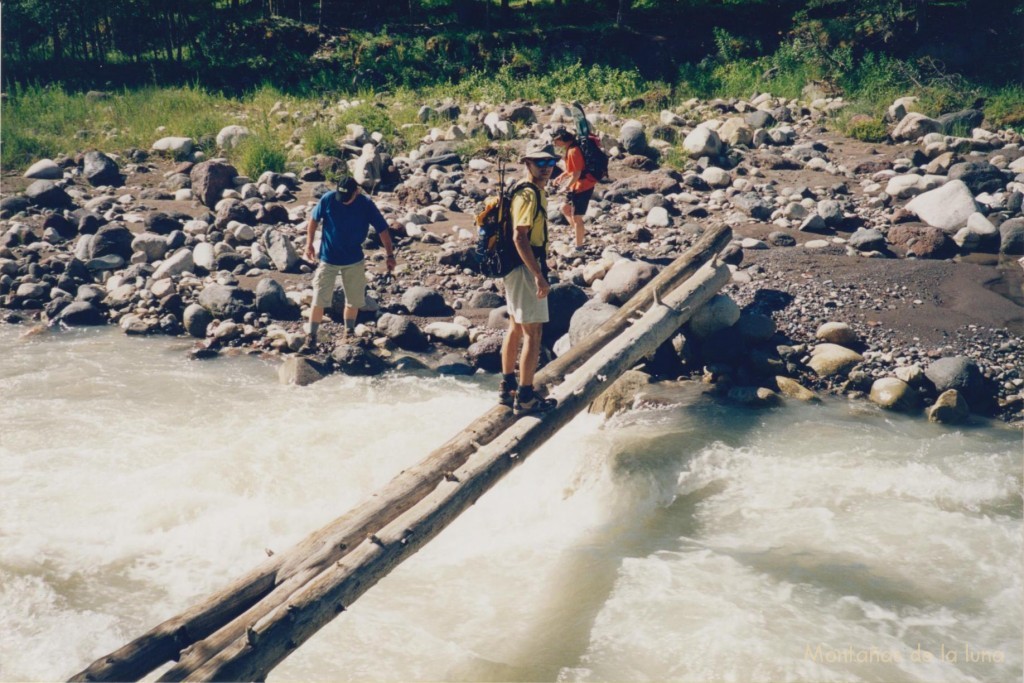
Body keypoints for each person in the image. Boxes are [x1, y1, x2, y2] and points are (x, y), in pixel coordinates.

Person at [499, 141, 560, 415]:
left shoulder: (528, 190)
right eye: (540, 163)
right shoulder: (529, 195)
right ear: (527, 163)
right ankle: (525, 396)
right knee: (533, 333)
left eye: (550, 163)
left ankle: (508, 386)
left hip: (514, 267)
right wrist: (538, 275)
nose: (547, 168)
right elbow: (519, 236)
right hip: (525, 267)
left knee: (515, 326)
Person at [302, 176, 395, 352]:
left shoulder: (365, 204)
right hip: (328, 259)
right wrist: (308, 243)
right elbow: (313, 220)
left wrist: (390, 255)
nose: (343, 202)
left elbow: (383, 229)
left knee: (353, 300)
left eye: (347, 198)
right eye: (341, 197)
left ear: (357, 192)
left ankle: (349, 333)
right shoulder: (328, 198)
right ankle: (311, 337)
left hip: (354, 260)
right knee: (318, 299)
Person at [551, 127, 597, 252]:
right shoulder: (570, 148)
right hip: (576, 186)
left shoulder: (573, 151)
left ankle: (579, 249)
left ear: (561, 139)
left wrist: (565, 187)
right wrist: (561, 176)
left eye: (555, 141)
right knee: (565, 208)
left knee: (577, 218)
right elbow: (572, 168)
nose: (555, 144)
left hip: (583, 187)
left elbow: (577, 174)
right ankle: (580, 233)